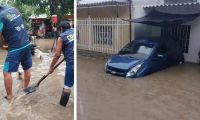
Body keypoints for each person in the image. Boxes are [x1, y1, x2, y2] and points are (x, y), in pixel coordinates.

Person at [0, 6, 32, 100]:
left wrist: (2, 46)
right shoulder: (13, 8)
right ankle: (25, 89)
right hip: (27, 43)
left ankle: (9, 96)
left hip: (15, 47)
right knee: (27, 68)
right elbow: (18, 16)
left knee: (6, 72)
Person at [49, 20, 74, 107]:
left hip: (72, 64)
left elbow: (57, 55)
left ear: (61, 29)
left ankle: (61, 109)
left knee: (67, 87)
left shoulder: (61, 37)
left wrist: (51, 67)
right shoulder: (75, 31)